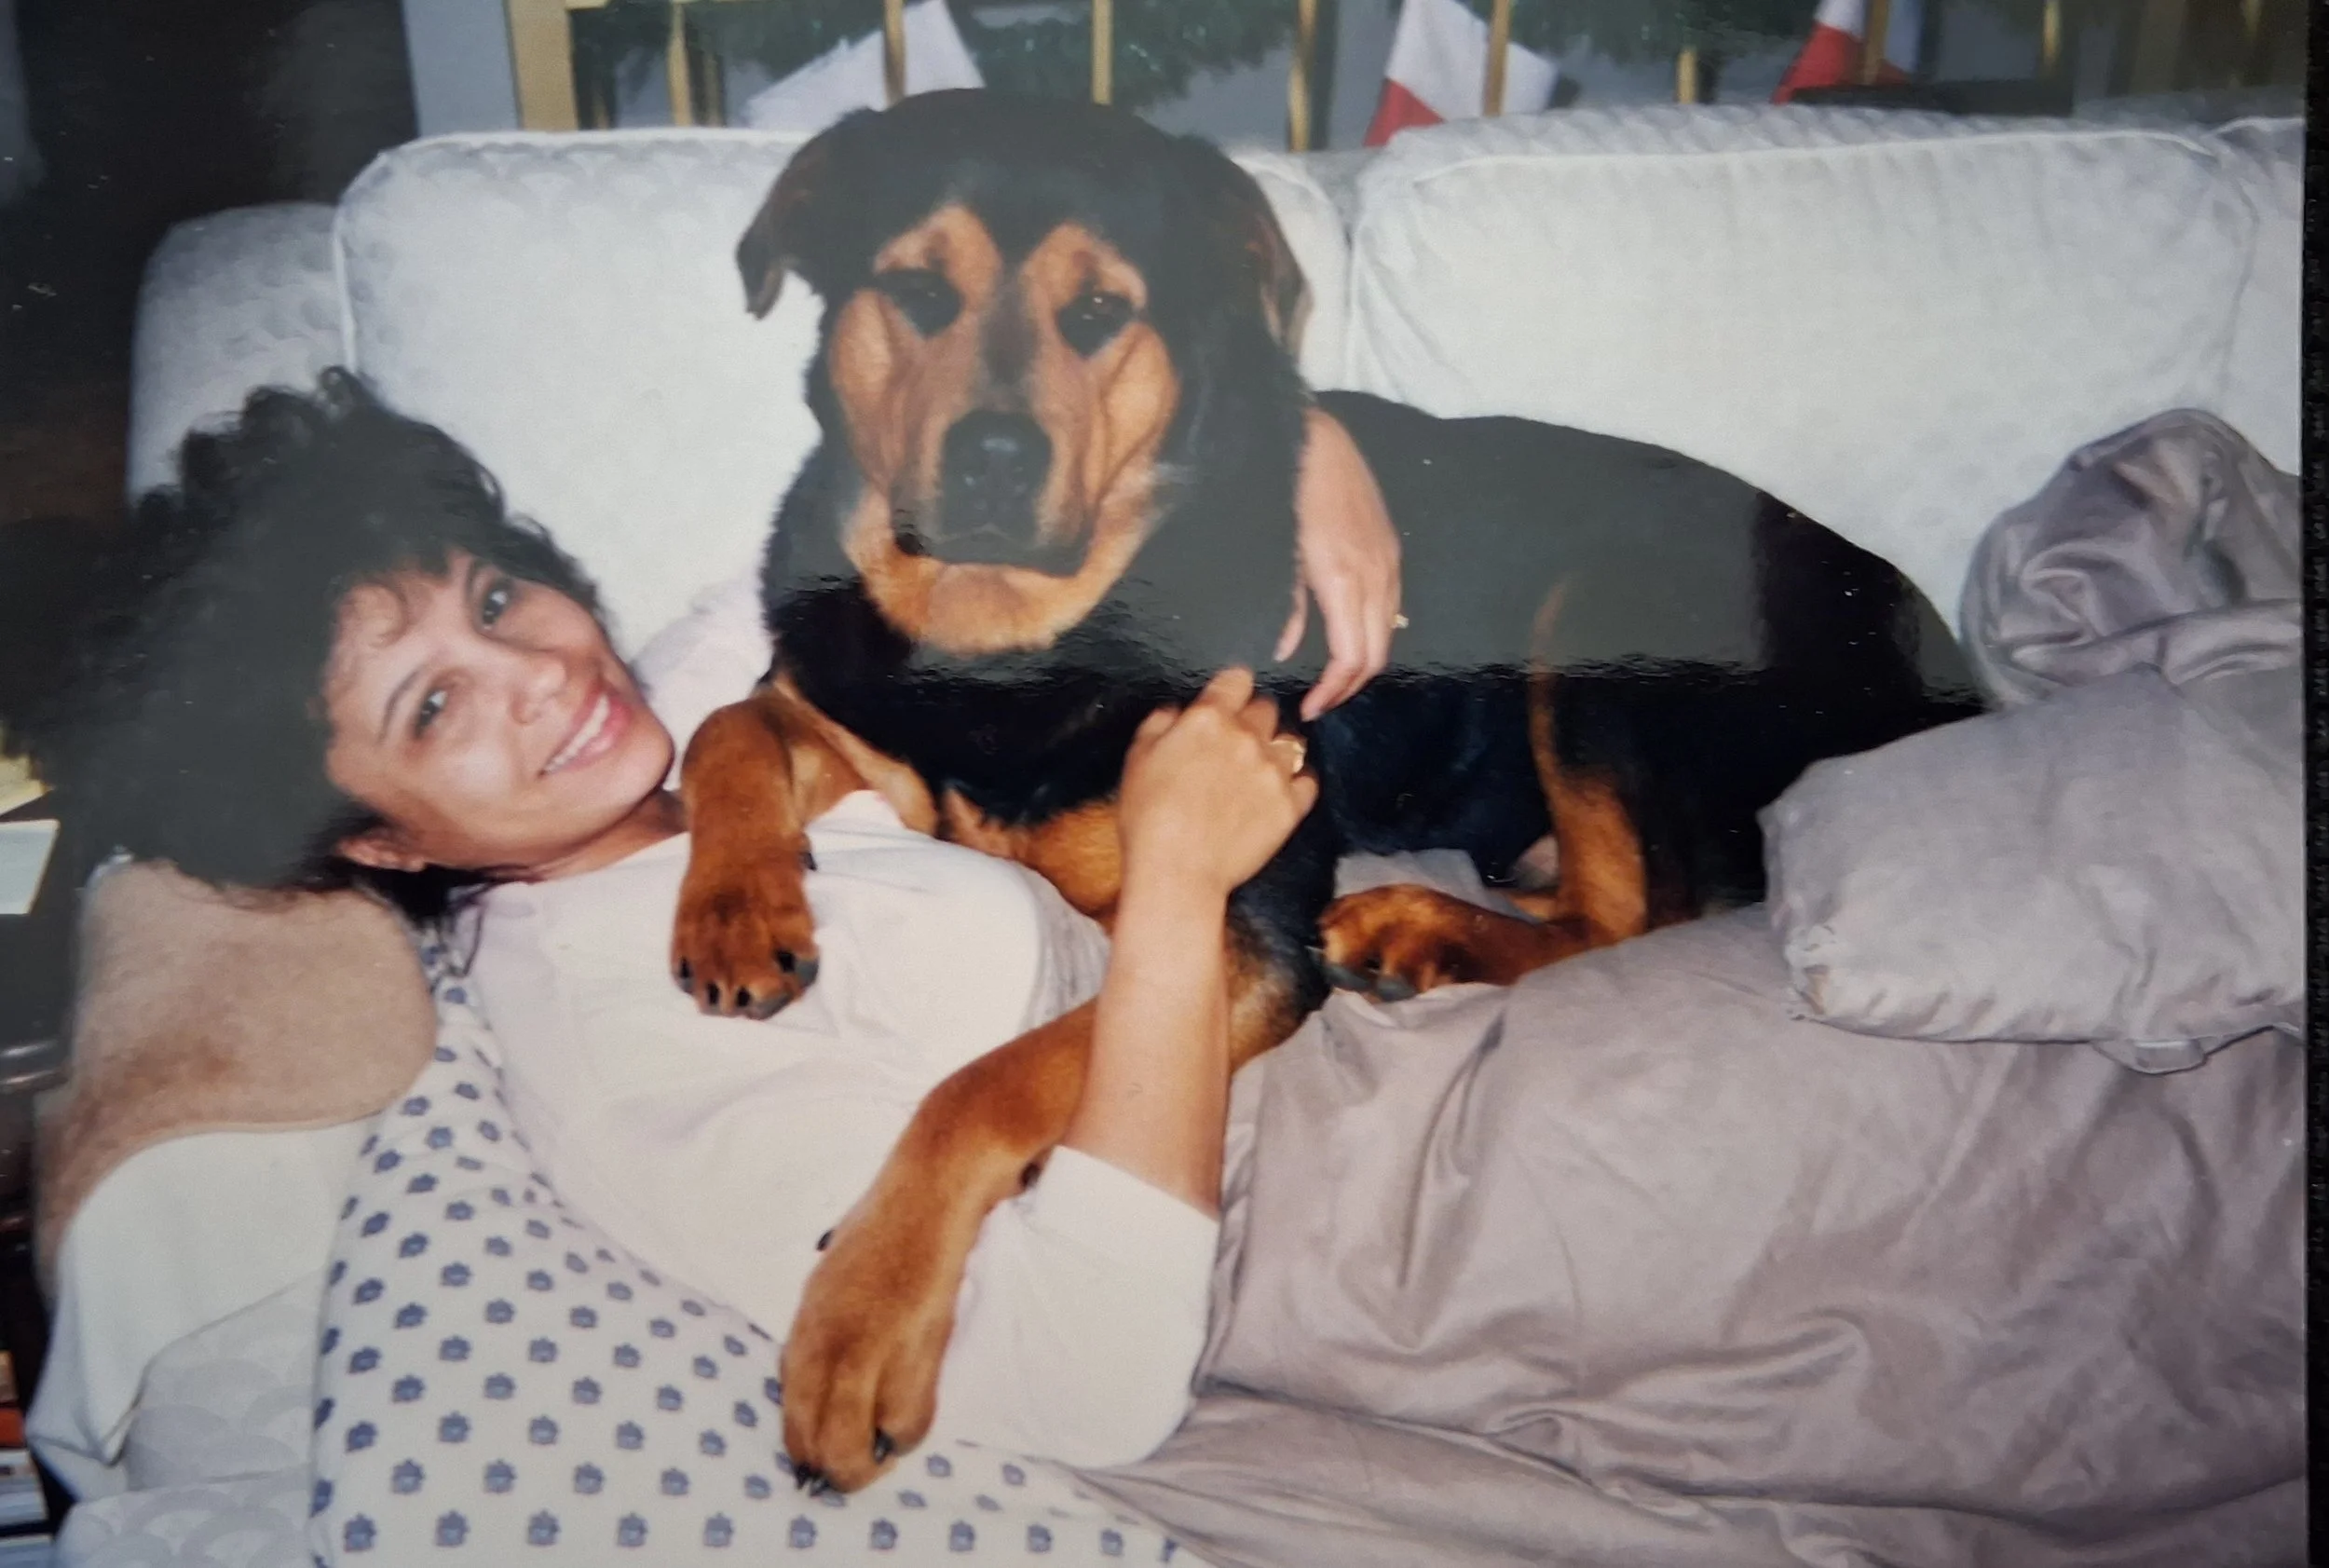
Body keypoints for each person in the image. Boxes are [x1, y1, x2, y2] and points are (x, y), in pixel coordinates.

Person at [40, 370, 1393, 1469]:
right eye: (431, 706)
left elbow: (910, 537)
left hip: (1388, 990)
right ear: (377, 839)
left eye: (498, 597)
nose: (536, 675)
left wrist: (1308, 441)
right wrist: (1172, 884)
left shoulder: (677, 756)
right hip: (1356, 1209)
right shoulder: (621, 1037)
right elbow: (1089, 1386)